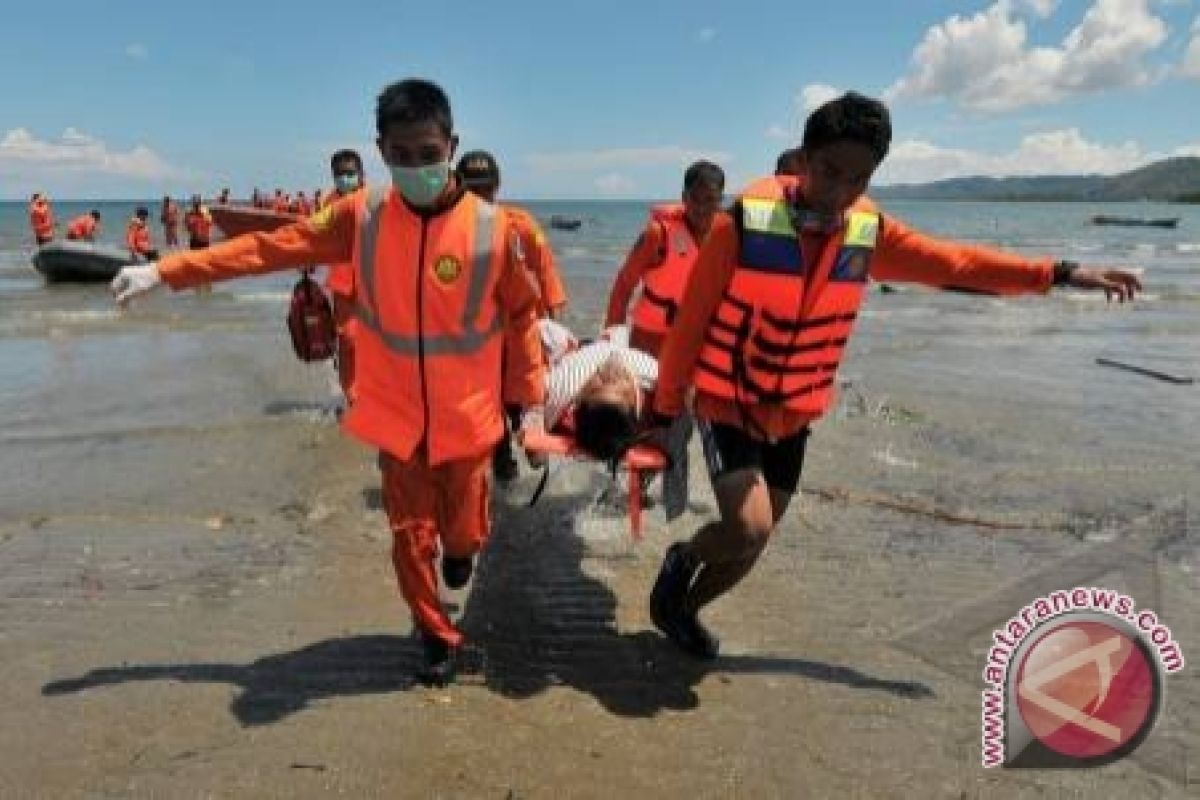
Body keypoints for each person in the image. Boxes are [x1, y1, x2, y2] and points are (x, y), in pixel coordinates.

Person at [647, 92, 1143, 660]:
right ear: (804, 161)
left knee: (756, 545)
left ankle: (684, 611)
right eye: (829, 172)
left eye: (857, 179)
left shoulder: (867, 231)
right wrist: (664, 410)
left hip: (795, 410)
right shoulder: (742, 225)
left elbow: (956, 264)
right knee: (748, 528)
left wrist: (1061, 273)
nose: (839, 192)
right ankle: (681, 560)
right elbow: (689, 323)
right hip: (729, 399)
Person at [110, 78, 546, 686]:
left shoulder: (493, 230)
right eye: (401, 154)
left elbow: (523, 315)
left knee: (464, 530)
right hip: (396, 415)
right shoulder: (361, 217)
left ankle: (463, 551)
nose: (416, 166)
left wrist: (525, 401)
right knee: (408, 535)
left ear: (451, 144)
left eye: (428, 153)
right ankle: (435, 635)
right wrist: (166, 270)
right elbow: (270, 248)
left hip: (469, 418)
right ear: (381, 150)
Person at [457, 149, 568, 481]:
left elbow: (545, 268)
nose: (480, 197)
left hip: (518, 329)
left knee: (522, 397)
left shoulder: (519, 224)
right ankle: (502, 456)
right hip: (473, 337)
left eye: (486, 189)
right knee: (486, 403)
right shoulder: (447, 231)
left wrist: (553, 321)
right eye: (472, 190)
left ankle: (532, 445)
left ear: (498, 187)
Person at [604, 161, 724, 357]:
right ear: (684, 197)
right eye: (695, 198)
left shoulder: (725, 238)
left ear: (720, 201)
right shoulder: (658, 235)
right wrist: (612, 339)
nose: (701, 208)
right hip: (649, 337)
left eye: (710, 200)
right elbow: (624, 285)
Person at [321, 148, 367, 405]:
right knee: (348, 340)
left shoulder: (375, 201)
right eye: (340, 174)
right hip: (343, 284)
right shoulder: (328, 205)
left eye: (350, 173)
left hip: (376, 284)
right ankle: (353, 399)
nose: (345, 178)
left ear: (361, 174)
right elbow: (315, 238)